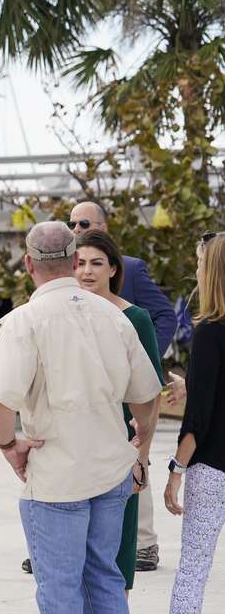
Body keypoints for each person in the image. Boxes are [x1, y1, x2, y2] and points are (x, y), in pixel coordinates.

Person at [0, 221, 161, 614]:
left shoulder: (24, 321)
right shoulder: (113, 316)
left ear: (29, 263)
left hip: (57, 471)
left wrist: (8, 446)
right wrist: (138, 446)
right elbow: (146, 395)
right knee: (105, 574)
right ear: (73, 258)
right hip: (110, 467)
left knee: (58, 583)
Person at [27, 228, 163, 614]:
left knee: (110, 568)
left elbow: (149, 395)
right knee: (77, 570)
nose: (85, 271)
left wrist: (140, 454)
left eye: (95, 264)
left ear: (113, 270)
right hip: (71, 462)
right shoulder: (54, 315)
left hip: (116, 462)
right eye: (79, 262)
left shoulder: (131, 319)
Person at [67, 200, 177, 572]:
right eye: (73, 223)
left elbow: (158, 321)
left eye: (84, 223)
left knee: (118, 552)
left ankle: (143, 547)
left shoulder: (132, 285)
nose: (78, 229)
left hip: (124, 426)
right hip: (75, 438)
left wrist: (145, 363)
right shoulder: (61, 300)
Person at [145, 232, 225, 614]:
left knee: (193, 569)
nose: (194, 270)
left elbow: (200, 421)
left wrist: (176, 468)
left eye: (198, 262)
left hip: (212, 468)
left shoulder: (211, 330)